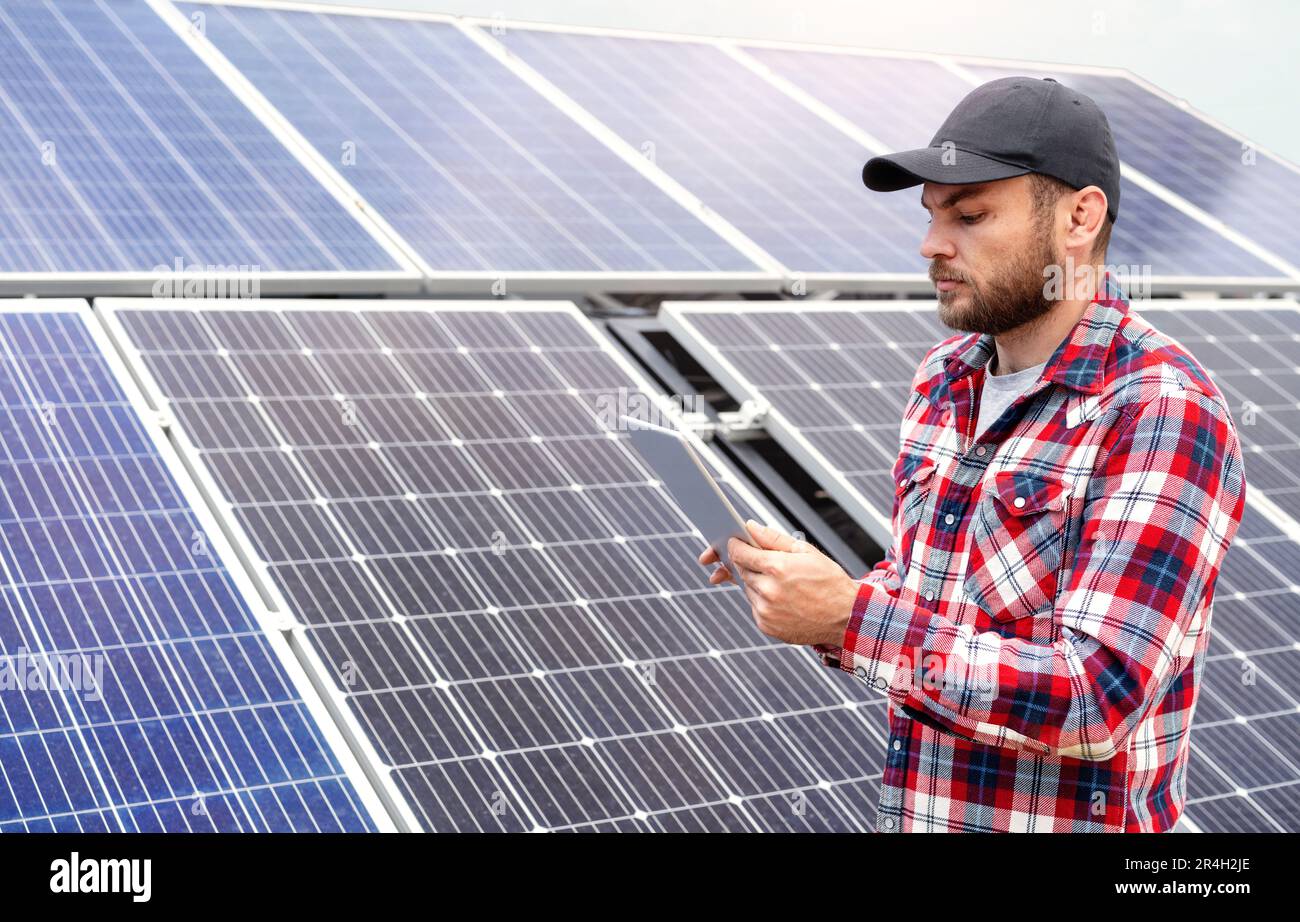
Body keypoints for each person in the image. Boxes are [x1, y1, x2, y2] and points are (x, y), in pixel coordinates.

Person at [698, 76, 1246, 833]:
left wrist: (851, 617)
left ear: (1079, 219)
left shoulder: (1160, 408)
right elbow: (931, 605)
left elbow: (1096, 699)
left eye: (971, 214)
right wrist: (808, 591)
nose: (931, 245)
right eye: (930, 216)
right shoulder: (943, 380)